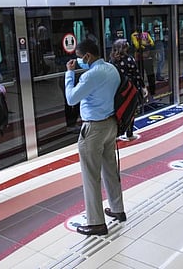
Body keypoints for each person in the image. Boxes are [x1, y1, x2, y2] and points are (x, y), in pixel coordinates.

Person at [65, 39, 126, 236]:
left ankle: (96, 223)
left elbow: (72, 98)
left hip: (93, 129)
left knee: (91, 175)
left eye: (80, 58)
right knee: (110, 170)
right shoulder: (112, 69)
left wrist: (69, 74)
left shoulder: (90, 75)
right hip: (111, 125)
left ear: (87, 56)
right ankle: (117, 209)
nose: (79, 61)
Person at [110, 38, 148, 141]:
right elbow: (136, 74)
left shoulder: (112, 60)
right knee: (130, 110)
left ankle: (116, 134)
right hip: (130, 89)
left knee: (118, 110)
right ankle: (129, 133)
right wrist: (143, 86)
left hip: (117, 89)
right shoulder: (129, 59)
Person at [131, 26, 156, 97]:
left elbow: (138, 45)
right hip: (143, 57)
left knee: (146, 75)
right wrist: (146, 45)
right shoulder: (144, 34)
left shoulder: (134, 35)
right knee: (148, 75)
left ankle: (148, 91)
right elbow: (137, 45)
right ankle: (151, 92)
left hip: (142, 58)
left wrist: (142, 45)